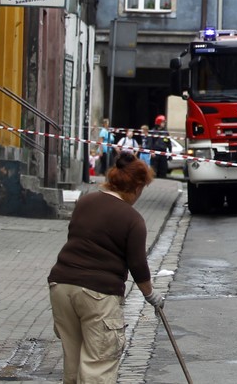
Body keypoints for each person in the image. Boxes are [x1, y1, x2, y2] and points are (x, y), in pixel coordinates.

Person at [48, 152, 162, 383]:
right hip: (97, 294)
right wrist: (151, 294)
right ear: (137, 186)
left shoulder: (86, 201)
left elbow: (75, 236)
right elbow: (138, 265)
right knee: (98, 363)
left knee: (73, 361)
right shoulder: (133, 219)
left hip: (61, 285)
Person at [151, 114, 173, 179]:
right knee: (154, 171)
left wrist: (170, 153)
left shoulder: (165, 132)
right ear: (159, 122)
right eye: (163, 122)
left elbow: (169, 143)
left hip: (163, 153)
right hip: (155, 153)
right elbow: (150, 143)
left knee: (163, 170)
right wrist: (151, 152)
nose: (164, 124)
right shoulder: (153, 132)